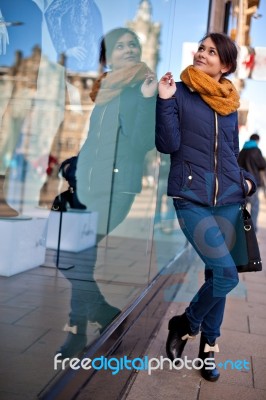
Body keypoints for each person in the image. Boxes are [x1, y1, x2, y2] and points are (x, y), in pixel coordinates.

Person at [156, 32, 257, 382]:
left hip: (228, 200)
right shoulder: (180, 92)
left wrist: (248, 181)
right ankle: (185, 325)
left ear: (225, 64)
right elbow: (168, 143)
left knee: (219, 275)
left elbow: (231, 153)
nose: (202, 53)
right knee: (227, 275)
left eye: (211, 51)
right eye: (201, 48)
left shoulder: (230, 104)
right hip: (192, 199)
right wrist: (165, 100)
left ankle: (208, 349)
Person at [57, 27, 157, 358]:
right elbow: (95, 140)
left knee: (75, 257)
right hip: (89, 181)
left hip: (117, 186)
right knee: (74, 258)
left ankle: (80, 330)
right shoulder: (107, 91)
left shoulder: (140, 88)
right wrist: (77, 162)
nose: (127, 49)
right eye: (120, 46)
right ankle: (100, 317)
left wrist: (145, 98)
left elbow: (142, 141)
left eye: (133, 44)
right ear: (107, 58)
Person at [238, 133, 266, 231]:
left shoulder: (242, 150)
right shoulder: (256, 150)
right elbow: (262, 164)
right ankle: (252, 229)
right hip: (254, 183)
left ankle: (241, 229)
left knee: (242, 207)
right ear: (257, 140)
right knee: (254, 206)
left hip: (242, 183)